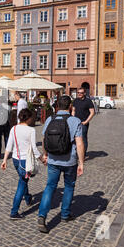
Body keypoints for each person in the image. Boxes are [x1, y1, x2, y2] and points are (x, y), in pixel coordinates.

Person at [38, 96, 85, 233]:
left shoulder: (49, 119)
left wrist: (45, 155)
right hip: (70, 161)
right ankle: (65, 214)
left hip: (53, 159)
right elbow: (80, 143)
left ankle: (42, 215)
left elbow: (44, 139)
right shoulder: (75, 121)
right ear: (70, 106)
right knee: (69, 186)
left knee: (50, 187)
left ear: (57, 106)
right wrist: (81, 163)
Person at [1, 109, 43, 220]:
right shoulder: (31, 130)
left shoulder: (13, 129)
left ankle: (28, 198)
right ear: (28, 118)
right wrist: (42, 158)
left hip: (15, 159)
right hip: (26, 161)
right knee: (22, 183)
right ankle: (14, 212)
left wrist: (4, 160)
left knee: (23, 179)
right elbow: (34, 148)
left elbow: (9, 146)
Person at [72, 88, 95, 156]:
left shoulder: (88, 101)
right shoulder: (75, 100)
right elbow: (73, 110)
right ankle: (76, 153)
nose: (79, 94)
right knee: (74, 138)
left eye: (81, 93)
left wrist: (86, 121)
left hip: (83, 123)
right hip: (75, 123)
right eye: (78, 92)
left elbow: (92, 112)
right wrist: (73, 119)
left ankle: (83, 154)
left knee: (83, 139)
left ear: (84, 93)